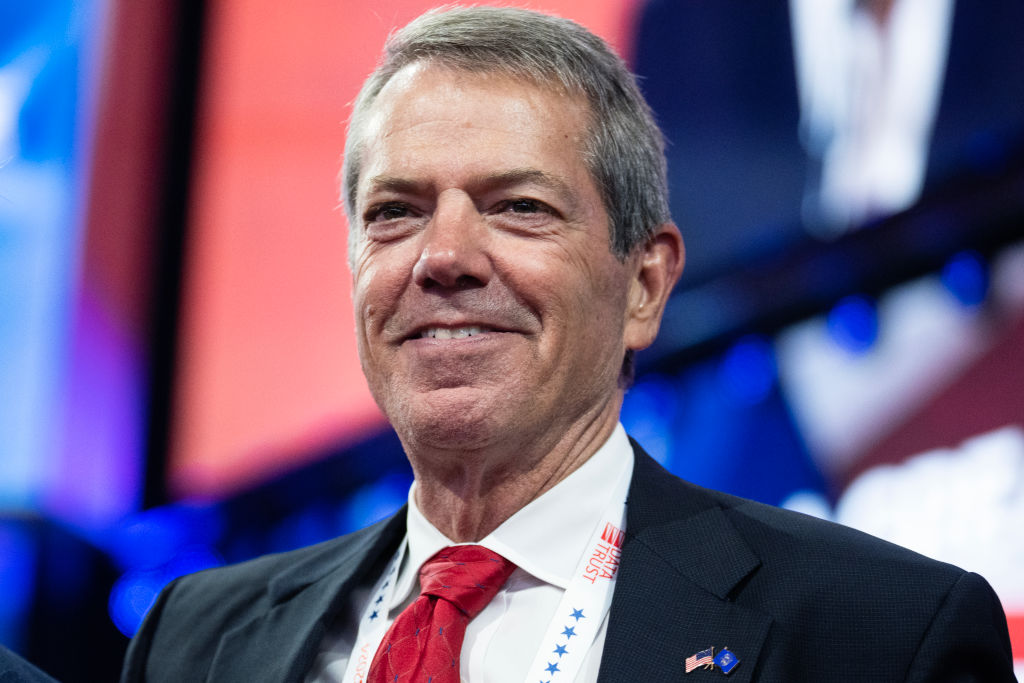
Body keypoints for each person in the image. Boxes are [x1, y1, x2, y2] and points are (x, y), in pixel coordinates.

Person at [121, 6, 1016, 682]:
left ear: (644, 283)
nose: (444, 258)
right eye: (395, 213)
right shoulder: (195, 639)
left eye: (519, 207)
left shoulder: (886, 636)